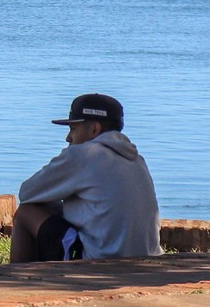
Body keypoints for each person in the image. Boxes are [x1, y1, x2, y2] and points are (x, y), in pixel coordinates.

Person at [10, 93, 161, 262]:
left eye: (73, 129)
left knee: (26, 211)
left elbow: (27, 193)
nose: (68, 137)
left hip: (98, 261)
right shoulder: (137, 160)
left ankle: (17, 277)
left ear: (94, 129)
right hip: (146, 259)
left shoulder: (83, 155)